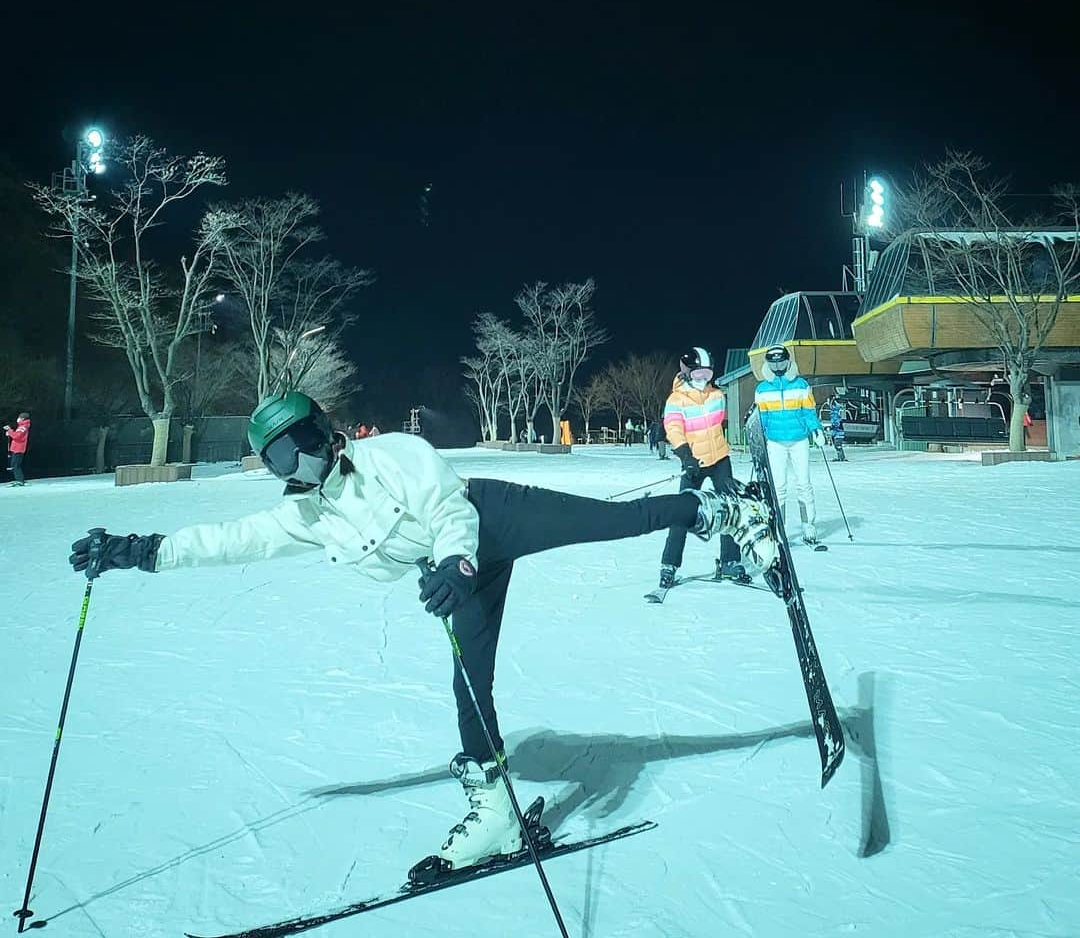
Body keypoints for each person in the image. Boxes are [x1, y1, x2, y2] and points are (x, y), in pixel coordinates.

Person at [69, 391, 777, 874]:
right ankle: (495, 809)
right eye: (285, 457)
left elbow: (447, 508)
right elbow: (228, 541)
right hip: (454, 575)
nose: (304, 459)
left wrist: (455, 561)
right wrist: (140, 551)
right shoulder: (304, 517)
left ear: (324, 429)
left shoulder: (389, 456)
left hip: (490, 520)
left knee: (608, 521)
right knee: (469, 682)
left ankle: (724, 515)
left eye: (307, 441)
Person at [659, 348, 746, 588]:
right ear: (687, 373)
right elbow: (674, 429)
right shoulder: (675, 401)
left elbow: (718, 425)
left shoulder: (717, 395)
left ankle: (730, 561)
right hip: (694, 464)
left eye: (707, 374)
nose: (703, 380)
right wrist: (686, 456)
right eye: (698, 374)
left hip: (719, 459)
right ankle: (669, 565)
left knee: (730, 509)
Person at [755, 346, 825, 545]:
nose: (777, 366)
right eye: (773, 362)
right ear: (768, 364)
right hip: (775, 442)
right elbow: (762, 417)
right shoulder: (762, 389)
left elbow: (809, 411)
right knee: (778, 487)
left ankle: (808, 525)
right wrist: (759, 436)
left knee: (804, 483)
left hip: (799, 440)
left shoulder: (801, 385)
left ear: (788, 361)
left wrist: (815, 429)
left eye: (781, 361)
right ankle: (779, 528)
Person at [4, 412, 31, 486]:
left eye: (19, 418)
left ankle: (20, 480)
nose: (18, 419)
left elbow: (17, 436)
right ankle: (19, 479)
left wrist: (9, 430)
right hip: (16, 448)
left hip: (19, 448)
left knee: (15, 465)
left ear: (22, 418)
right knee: (14, 464)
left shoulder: (23, 427)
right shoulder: (21, 426)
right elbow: (16, 435)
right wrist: (10, 432)